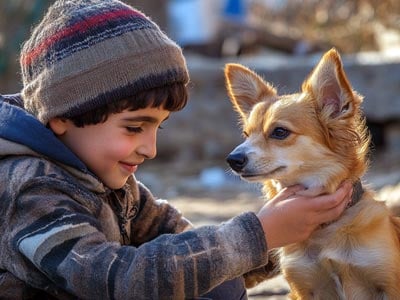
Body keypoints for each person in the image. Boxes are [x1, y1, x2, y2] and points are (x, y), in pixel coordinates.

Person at [0, 0, 352, 299]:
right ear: (61, 116)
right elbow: (114, 280)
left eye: (157, 126)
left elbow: (192, 253)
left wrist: (295, 229)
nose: (149, 148)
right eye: (135, 127)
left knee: (219, 286)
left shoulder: (112, 184)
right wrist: (257, 234)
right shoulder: (32, 189)